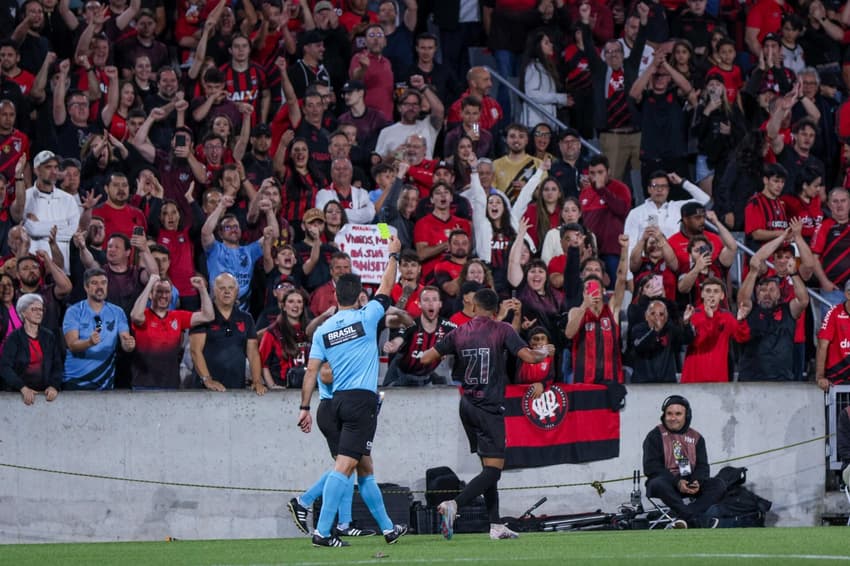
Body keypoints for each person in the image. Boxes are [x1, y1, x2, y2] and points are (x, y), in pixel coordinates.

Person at [297, 235, 407, 548]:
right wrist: (393, 256)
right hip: (360, 401)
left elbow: (311, 372)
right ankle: (321, 531)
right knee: (344, 467)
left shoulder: (324, 330)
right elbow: (386, 287)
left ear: (336, 295)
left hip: (331, 403)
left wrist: (304, 407)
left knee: (365, 467)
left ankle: (387, 529)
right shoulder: (367, 315)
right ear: (359, 294)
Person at [419, 288, 554, 541]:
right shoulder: (501, 329)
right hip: (488, 406)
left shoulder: (458, 332)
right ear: (495, 310)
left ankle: (496, 525)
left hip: (466, 404)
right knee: (494, 470)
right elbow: (528, 357)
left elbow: (426, 358)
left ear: (473, 308)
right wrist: (544, 352)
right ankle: (454, 505)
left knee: (487, 467)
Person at [642, 395, 726, 529]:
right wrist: (677, 481)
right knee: (657, 483)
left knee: (718, 484)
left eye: (678, 414)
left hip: (690, 482)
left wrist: (697, 481)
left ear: (686, 416)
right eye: (669, 413)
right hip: (666, 484)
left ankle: (684, 517)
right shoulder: (655, 435)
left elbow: (702, 466)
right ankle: (694, 519)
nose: (672, 418)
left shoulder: (697, 438)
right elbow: (651, 467)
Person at [129, 274, 214, 389]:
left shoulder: (178, 317)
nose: (163, 295)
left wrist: (202, 289)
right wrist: (150, 284)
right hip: (143, 385)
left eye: (167, 292)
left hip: (170, 384)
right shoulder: (144, 316)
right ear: (151, 294)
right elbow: (135, 316)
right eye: (159, 291)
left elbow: (208, 316)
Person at [565, 234, 629, 383]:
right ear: (583, 292)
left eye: (596, 287)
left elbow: (621, 278)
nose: (592, 291)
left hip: (611, 380)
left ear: (603, 291)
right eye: (588, 287)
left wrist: (624, 249)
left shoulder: (612, 308)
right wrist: (584, 306)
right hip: (583, 380)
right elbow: (569, 334)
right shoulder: (576, 311)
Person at [189, 273, 266, 395]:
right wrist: (207, 380)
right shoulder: (202, 316)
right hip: (205, 389)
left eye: (231, 288)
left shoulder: (246, 318)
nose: (227, 292)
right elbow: (195, 351)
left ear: (237, 291)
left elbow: (253, 352)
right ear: (214, 290)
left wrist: (257, 380)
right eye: (222, 288)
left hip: (236, 387)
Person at [62, 268, 136, 390]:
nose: (100, 286)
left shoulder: (117, 312)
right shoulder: (74, 312)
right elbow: (72, 344)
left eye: (103, 283)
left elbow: (125, 342)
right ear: (86, 287)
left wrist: (129, 345)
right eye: (94, 283)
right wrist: (89, 342)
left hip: (104, 382)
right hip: (75, 380)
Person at [382, 285, 457, 386]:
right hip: (401, 376)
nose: (431, 303)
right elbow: (399, 339)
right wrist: (393, 345)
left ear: (440, 304)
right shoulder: (411, 324)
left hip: (427, 377)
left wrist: (448, 351)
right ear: (419, 304)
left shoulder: (448, 327)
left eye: (434, 299)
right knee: (385, 400)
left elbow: (463, 343)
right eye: (426, 300)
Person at [681, 277, 751, 383]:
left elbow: (742, 337)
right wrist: (710, 319)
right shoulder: (693, 315)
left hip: (718, 378)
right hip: (693, 377)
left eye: (716, 291)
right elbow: (698, 341)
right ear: (702, 294)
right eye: (708, 291)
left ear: (722, 296)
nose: (711, 295)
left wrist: (741, 321)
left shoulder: (727, 317)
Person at [0, 294, 62, 405]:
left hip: (44, 395)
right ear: (23, 312)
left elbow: (57, 365)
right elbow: (5, 367)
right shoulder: (14, 338)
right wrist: (22, 387)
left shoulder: (49, 336)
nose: (39, 313)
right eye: (34, 309)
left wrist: (54, 385)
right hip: (17, 395)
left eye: (41, 309)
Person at [816, 279, 850, 391]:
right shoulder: (834, 312)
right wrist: (820, 376)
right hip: (837, 379)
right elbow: (822, 345)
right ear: (847, 294)